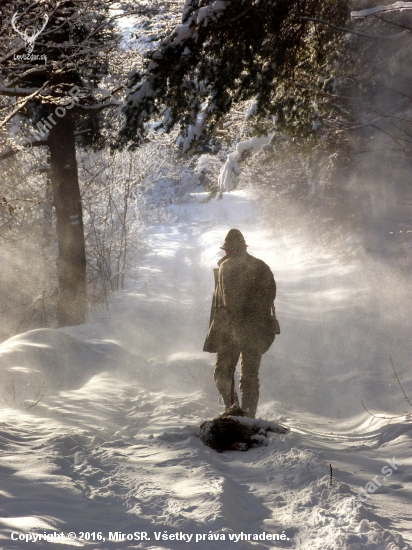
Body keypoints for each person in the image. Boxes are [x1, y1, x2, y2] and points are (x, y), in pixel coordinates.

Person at [203, 229, 277, 418]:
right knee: (250, 377)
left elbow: (228, 300)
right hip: (257, 330)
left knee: (222, 372)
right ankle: (250, 417)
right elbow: (270, 297)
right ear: (244, 247)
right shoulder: (262, 266)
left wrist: (234, 327)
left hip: (231, 330)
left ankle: (233, 412)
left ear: (227, 250)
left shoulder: (226, 267)